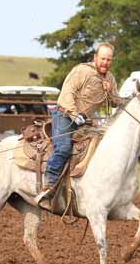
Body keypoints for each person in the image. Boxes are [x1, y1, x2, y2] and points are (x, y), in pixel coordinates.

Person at [36, 43, 125, 207]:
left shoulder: (110, 78)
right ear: (95, 58)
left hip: (84, 121)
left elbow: (115, 103)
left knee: (100, 147)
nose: (105, 62)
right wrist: (74, 114)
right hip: (65, 115)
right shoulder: (82, 71)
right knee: (63, 148)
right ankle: (49, 183)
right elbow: (67, 92)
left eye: (108, 60)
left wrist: (110, 91)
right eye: (103, 59)